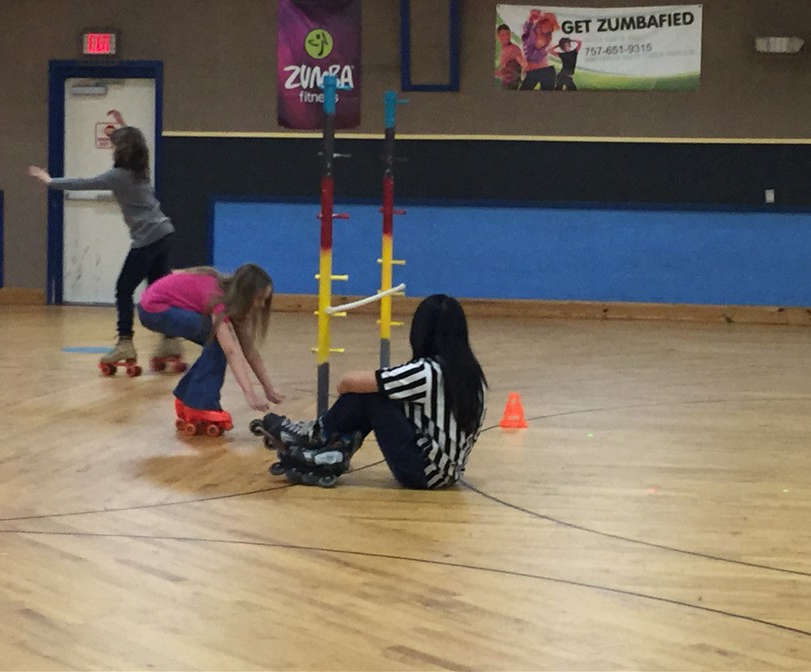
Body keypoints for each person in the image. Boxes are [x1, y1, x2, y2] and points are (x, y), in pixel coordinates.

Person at [255, 294, 487, 489]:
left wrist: (346, 405)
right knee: (383, 391)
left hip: (422, 472)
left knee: (374, 395)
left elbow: (348, 382)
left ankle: (318, 434)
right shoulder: (473, 376)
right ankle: (336, 449)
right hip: (447, 473)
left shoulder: (427, 371)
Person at [27, 126, 183, 371]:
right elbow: (134, 143)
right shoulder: (141, 173)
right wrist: (122, 128)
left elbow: (85, 183)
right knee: (158, 289)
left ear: (121, 150)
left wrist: (50, 181)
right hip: (165, 233)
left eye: (115, 146)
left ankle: (125, 343)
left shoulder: (117, 176)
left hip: (147, 238)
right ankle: (170, 340)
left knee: (123, 289)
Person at [137, 264, 284, 434]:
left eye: (265, 300)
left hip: (156, 306)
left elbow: (250, 351)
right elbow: (231, 351)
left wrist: (268, 389)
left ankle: (188, 396)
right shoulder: (218, 298)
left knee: (218, 341)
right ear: (245, 294)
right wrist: (249, 393)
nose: (261, 305)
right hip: (154, 309)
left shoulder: (232, 305)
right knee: (218, 339)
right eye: (259, 299)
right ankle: (200, 403)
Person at [495, 24, 526, 90]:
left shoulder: (513, 49)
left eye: (507, 34)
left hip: (511, 84)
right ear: (498, 37)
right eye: (503, 35)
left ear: (510, 35)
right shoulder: (504, 50)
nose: (506, 37)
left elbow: (521, 61)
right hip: (507, 83)